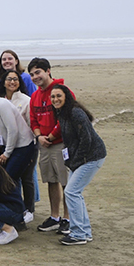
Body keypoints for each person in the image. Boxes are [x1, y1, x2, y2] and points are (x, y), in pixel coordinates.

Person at [52, 84, 107, 245]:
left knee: (71, 192)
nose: (55, 99)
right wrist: (70, 160)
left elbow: (87, 139)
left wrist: (76, 161)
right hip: (79, 159)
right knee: (75, 193)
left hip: (92, 157)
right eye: (53, 97)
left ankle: (79, 234)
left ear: (67, 97)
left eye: (59, 96)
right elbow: (69, 140)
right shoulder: (61, 113)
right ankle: (84, 231)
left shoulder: (75, 112)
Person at [0, 78, 37, 223]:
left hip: (23, 145)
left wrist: (7, 153)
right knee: (9, 179)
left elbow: (13, 130)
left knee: (9, 178)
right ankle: (17, 210)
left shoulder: (2, 104)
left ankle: (21, 212)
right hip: (10, 145)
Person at [29, 57, 72, 234]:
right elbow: (33, 119)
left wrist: (52, 135)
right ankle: (55, 217)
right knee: (51, 180)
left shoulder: (61, 90)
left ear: (48, 71)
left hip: (61, 143)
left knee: (66, 182)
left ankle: (68, 218)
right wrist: (39, 136)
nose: (35, 77)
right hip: (44, 144)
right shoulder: (35, 96)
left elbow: (66, 116)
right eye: (31, 74)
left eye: (38, 72)